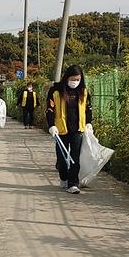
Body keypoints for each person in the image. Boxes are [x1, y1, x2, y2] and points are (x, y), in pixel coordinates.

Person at [46, 65, 93, 194]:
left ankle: (73, 183)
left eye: (78, 79)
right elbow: (50, 109)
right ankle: (64, 178)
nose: (75, 82)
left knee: (75, 158)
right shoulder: (55, 91)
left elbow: (88, 109)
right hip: (61, 130)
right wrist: (51, 125)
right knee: (61, 158)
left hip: (78, 129)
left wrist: (89, 123)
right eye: (73, 79)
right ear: (67, 78)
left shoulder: (83, 91)